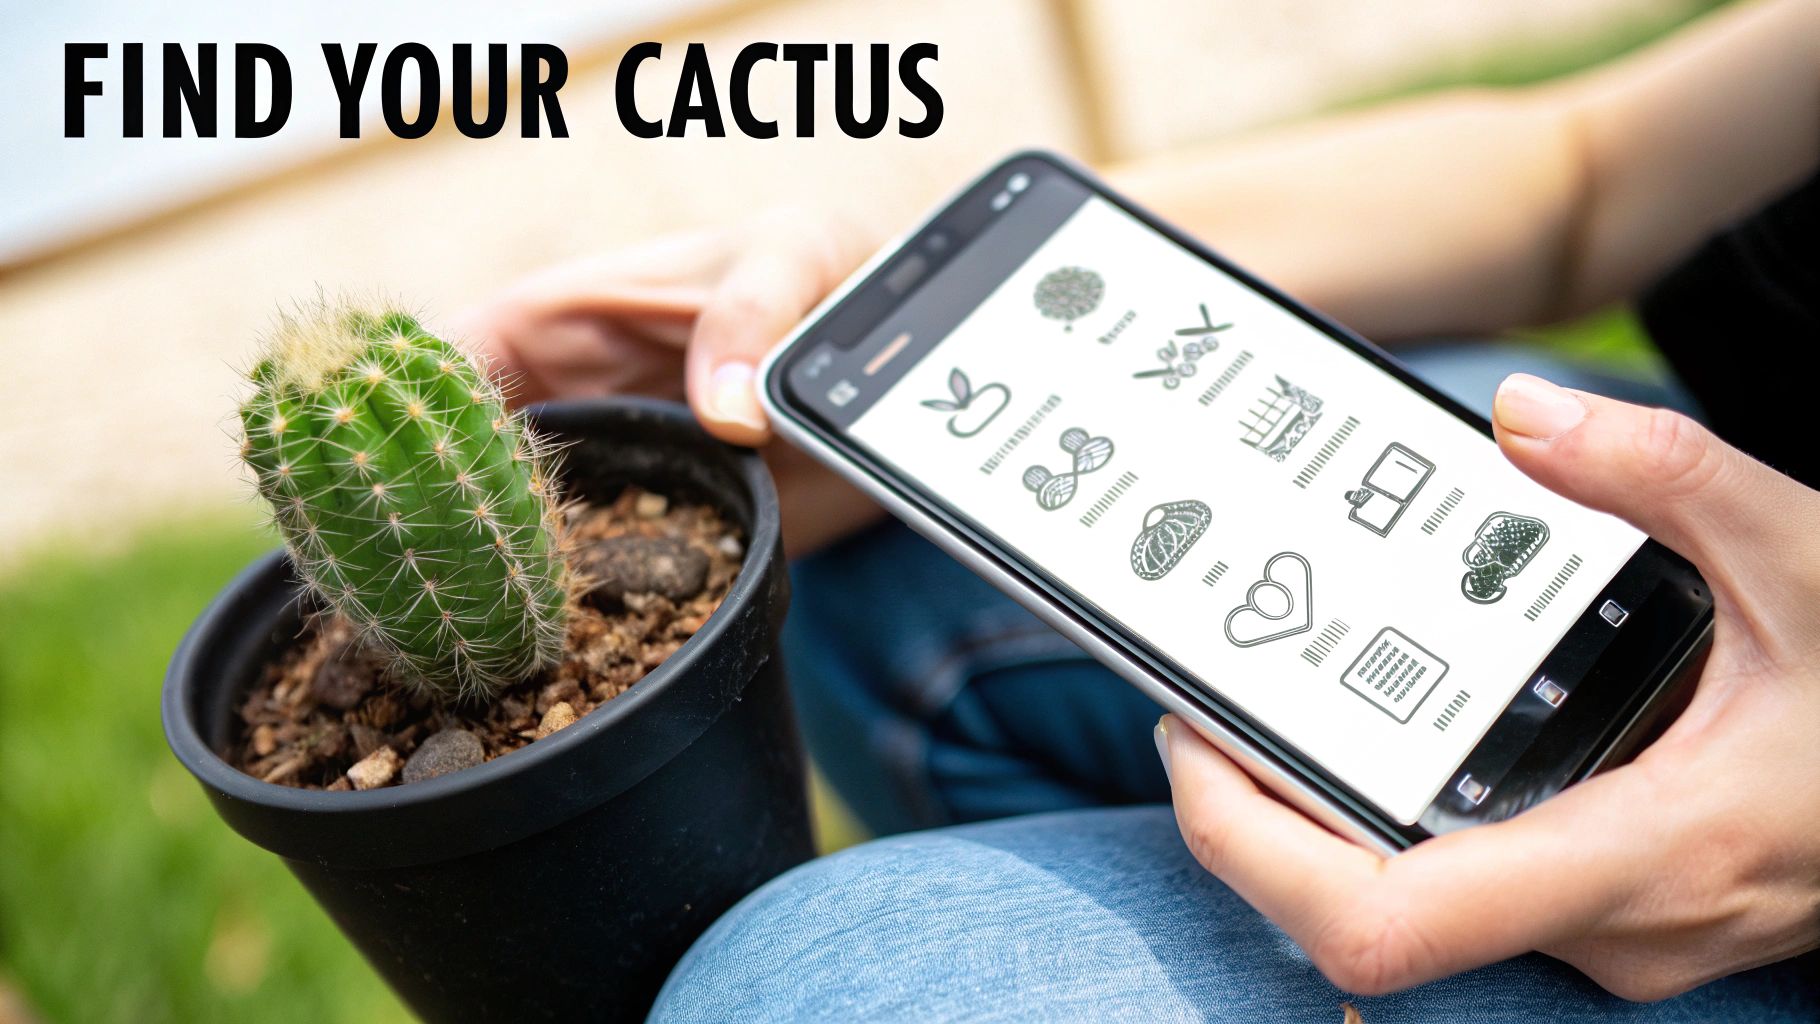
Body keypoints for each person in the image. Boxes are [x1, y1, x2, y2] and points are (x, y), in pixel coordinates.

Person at [460, 1, 1819, 1017]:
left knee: (806, 994)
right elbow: (1589, 172)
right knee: (872, 576)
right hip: (1711, 531)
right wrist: (953, 294)